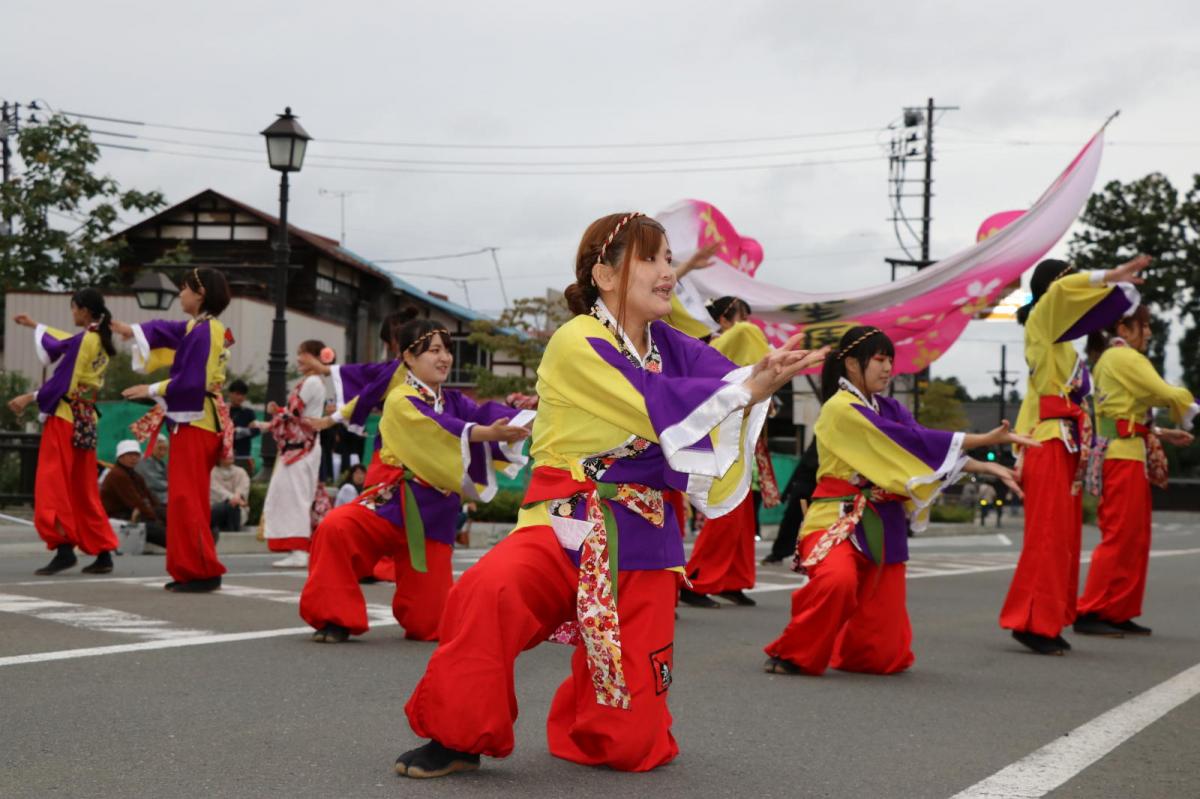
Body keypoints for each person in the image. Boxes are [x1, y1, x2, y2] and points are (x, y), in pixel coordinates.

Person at [396, 212, 827, 779]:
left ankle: (589, 714)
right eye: (651, 258)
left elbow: (723, 382)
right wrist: (745, 386)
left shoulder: (673, 345)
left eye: (669, 258)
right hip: (566, 521)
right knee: (488, 590)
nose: (667, 271)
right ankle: (457, 734)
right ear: (604, 274)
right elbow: (658, 397)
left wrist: (761, 374)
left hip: (644, 534)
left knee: (630, 747)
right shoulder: (577, 341)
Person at [763, 326, 1031, 677]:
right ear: (852, 365)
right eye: (879, 359)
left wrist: (986, 466)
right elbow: (901, 441)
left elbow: (918, 445)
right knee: (837, 582)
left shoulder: (888, 408)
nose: (888, 367)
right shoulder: (839, 409)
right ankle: (794, 652)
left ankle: (854, 653)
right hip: (837, 517)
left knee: (881, 657)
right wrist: (979, 438)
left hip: (884, 518)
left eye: (890, 359)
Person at [298, 313, 532, 643]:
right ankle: (335, 617)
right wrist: (483, 432)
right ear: (408, 356)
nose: (444, 357)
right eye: (433, 350)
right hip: (393, 501)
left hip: (434, 513)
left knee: (430, 624)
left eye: (447, 350)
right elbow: (436, 427)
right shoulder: (400, 399)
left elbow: (481, 413)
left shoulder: (452, 400)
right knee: (336, 528)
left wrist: (522, 413)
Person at [999, 255, 1148, 654]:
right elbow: (1060, 293)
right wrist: (1108, 277)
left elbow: (1035, 398)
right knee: (1047, 536)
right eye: (1071, 284)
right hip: (1048, 442)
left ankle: (1047, 617)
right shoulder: (1042, 324)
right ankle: (1030, 621)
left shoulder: (1064, 345)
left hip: (1065, 444)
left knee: (1063, 538)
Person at [1075, 304, 1196, 636]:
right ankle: (1092, 609)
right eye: (1145, 326)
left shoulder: (1116, 360)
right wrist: (1188, 403)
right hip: (1122, 456)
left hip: (1128, 452)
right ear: (1124, 329)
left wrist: (1164, 425)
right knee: (1121, 536)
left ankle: (1116, 608)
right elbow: (1164, 393)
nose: (1149, 333)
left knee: (1134, 537)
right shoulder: (1123, 358)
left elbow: (1144, 401)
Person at [113, 266, 235, 593]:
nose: (180, 294)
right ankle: (191, 568)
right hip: (192, 420)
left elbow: (193, 380)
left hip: (196, 421)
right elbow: (166, 330)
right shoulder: (201, 327)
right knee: (185, 498)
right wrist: (132, 330)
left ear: (201, 293)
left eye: (184, 288)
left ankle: (202, 569)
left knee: (187, 499)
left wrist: (150, 389)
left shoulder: (206, 329)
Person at [7, 289, 121, 575]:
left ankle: (64, 548)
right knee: (83, 489)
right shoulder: (100, 339)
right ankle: (103, 551)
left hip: (66, 418)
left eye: (73, 309)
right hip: (86, 418)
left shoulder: (86, 339)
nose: (72, 314)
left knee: (53, 485)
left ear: (83, 310)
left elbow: (64, 380)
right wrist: (35, 325)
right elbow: (65, 342)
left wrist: (29, 397)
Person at [680, 296, 778, 608]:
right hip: (723, 433)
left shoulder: (724, 342)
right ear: (726, 318)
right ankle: (694, 579)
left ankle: (733, 578)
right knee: (726, 510)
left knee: (742, 511)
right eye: (742, 315)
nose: (749, 323)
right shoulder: (729, 338)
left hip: (738, 432)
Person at [254, 340, 335, 569]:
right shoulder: (312, 382)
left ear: (315, 357)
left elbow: (295, 413)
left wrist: (273, 417)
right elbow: (293, 414)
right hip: (301, 447)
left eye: (303, 354)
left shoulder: (311, 382)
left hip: (302, 448)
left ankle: (300, 549)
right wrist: (274, 418)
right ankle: (301, 547)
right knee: (297, 496)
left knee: (296, 497)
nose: (298, 358)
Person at [100, 440, 167, 547]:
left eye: (136, 455)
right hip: (117, 518)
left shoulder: (134, 475)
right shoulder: (118, 475)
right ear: (120, 457)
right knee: (154, 528)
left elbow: (150, 497)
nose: (134, 458)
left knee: (164, 512)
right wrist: (154, 518)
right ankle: (178, 545)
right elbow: (135, 501)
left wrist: (159, 512)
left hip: (132, 513)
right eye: (130, 455)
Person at [762, 439, 820, 564]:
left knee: (807, 525)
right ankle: (780, 553)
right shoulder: (817, 447)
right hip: (805, 490)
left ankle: (808, 553)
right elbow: (801, 469)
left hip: (816, 491)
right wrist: (787, 492)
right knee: (791, 522)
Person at [210, 453, 251, 535]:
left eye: (231, 452)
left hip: (237, 511)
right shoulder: (210, 472)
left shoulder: (241, 472)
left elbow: (243, 488)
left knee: (232, 508)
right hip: (216, 510)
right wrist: (233, 498)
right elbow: (216, 490)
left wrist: (236, 497)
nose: (230, 454)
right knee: (225, 507)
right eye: (226, 452)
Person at [226, 379, 260, 476]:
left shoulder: (248, 412)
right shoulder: (223, 410)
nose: (240, 397)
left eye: (243, 395)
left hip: (243, 456)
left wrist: (238, 431)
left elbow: (256, 430)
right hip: (224, 457)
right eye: (237, 394)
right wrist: (244, 431)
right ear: (230, 394)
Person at [135, 437, 169, 509]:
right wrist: (174, 487)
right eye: (159, 448)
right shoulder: (144, 461)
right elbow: (154, 483)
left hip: (164, 495)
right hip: (153, 497)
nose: (162, 452)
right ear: (151, 446)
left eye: (165, 449)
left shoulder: (161, 462)